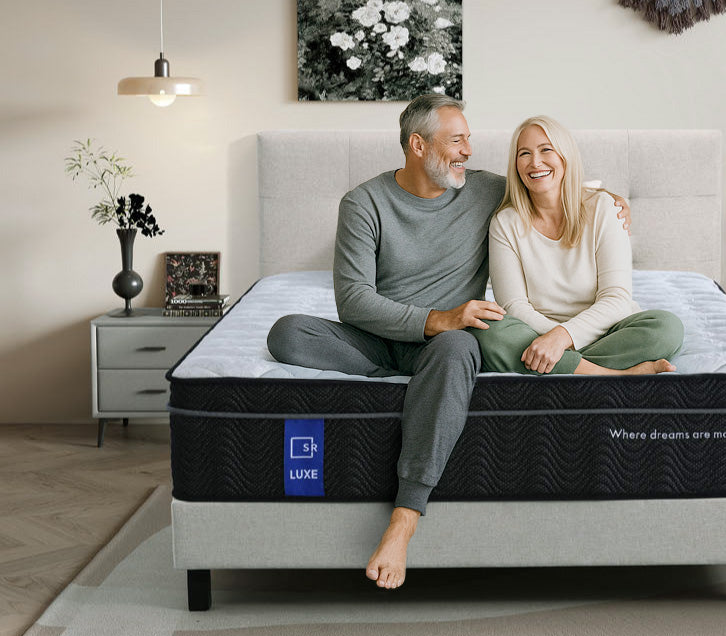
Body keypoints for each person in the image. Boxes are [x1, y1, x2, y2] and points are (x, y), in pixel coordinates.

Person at [266, 96, 631, 590]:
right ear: (419, 146)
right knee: (286, 332)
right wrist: (436, 318)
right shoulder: (364, 203)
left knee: (462, 348)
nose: (468, 151)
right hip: (376, 338)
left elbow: (549, 181)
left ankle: (404, 518)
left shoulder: (483, 191)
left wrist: (608, 196)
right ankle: (420, 378)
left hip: (448, 344)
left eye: (468, 140)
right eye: (457, 140)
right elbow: (352, 300)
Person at [474, 115, 683, 377]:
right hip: (535, 333)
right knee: (489, 334)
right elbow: (515, 306)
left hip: (604, 330)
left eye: (546, 149)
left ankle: (560, 367)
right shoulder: (505, 223)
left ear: (565, 156)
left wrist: (562, 339)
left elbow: (616, 298)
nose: (535, 162)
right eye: (524, 153)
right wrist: (551, 337)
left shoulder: (604, 208)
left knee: (667, 328)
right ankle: (613, 375)